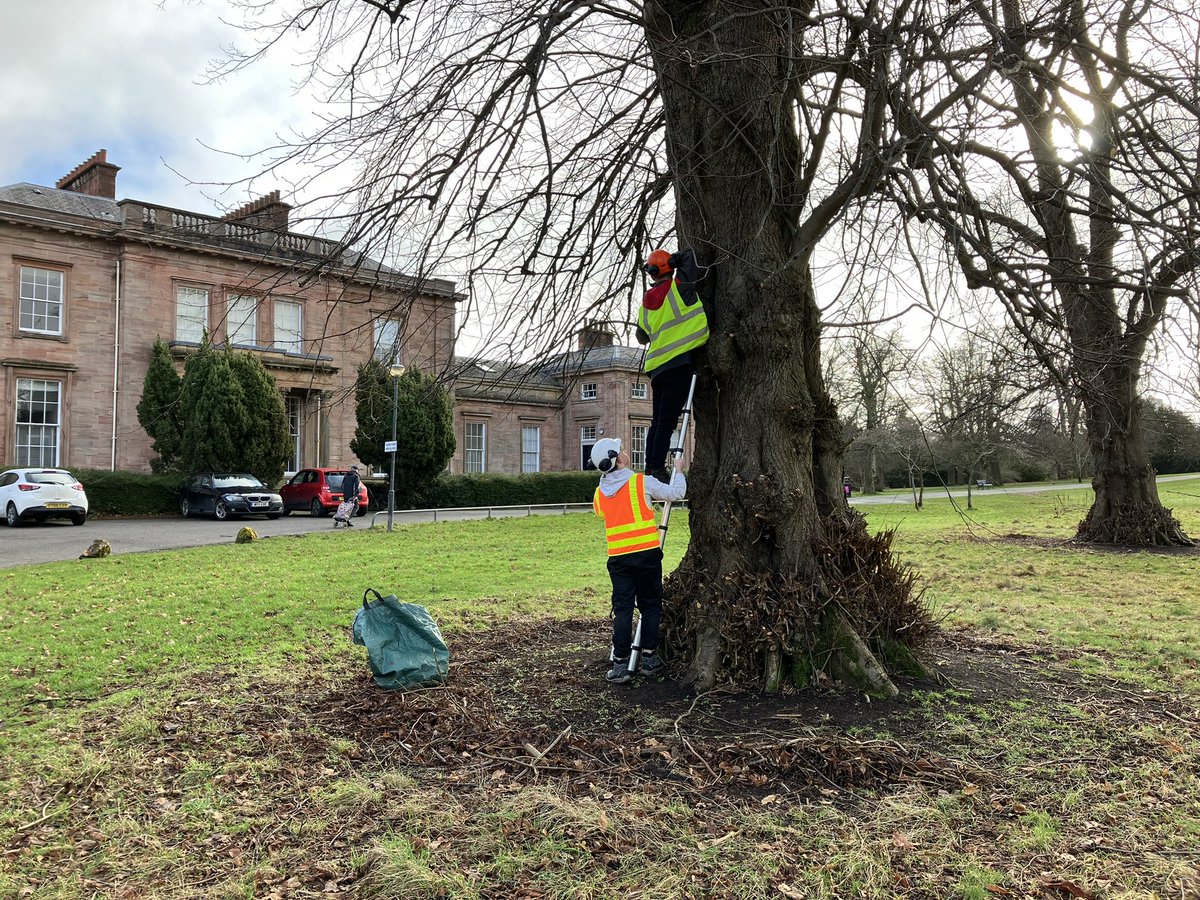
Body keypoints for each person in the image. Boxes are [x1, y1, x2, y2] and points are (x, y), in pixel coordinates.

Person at [590, 437, 687, 684]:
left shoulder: (600, 493)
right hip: (646, 555)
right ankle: (650, 658)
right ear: (619, 459)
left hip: (618, 560)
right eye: (622, 450)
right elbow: (676, 493)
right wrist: (678, 471)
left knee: (623, 609)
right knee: (651, 605)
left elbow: (601, 512)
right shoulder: (640, 482)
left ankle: (620, 663)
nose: (625, 452)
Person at [636, 248, 709, 481]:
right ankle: (657, 469)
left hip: (657, 368)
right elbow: (690, 258)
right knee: (667, 421)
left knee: (658, 421)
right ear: (669, 269)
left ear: (652, 273)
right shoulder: (679, 287)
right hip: (678, 363)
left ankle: (651, 466)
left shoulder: (645, 305)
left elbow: (641, 336)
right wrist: (675, 260)